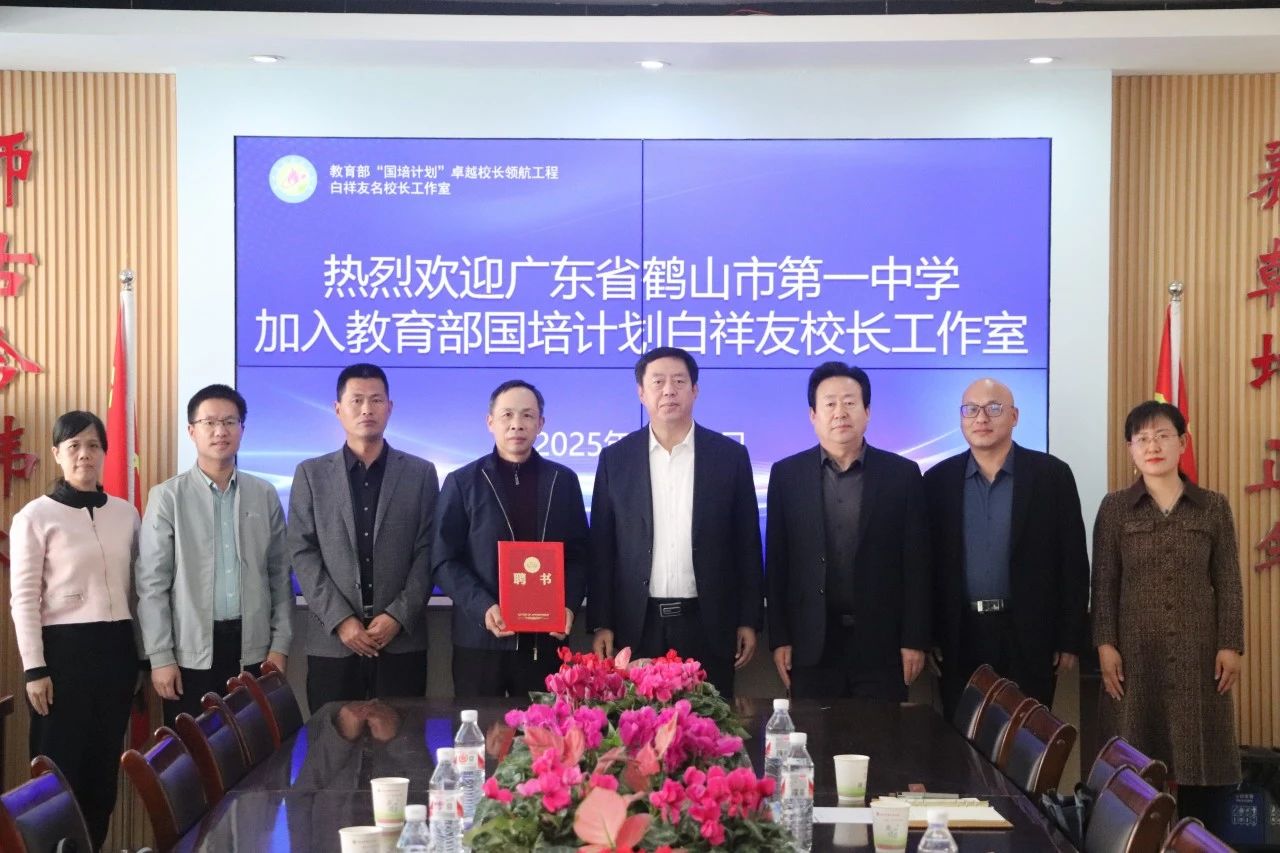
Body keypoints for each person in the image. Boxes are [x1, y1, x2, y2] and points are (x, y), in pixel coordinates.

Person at [1092, 400, 1243, 818]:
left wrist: (1231, 644)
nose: (1152, 446)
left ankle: (1200, 839)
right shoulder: (1115, 508)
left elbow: (1229, 580)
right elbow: (1103, 583)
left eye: (1162, 436)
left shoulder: (1213, 506)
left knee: (1201, 761)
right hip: (1135, 654)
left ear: (1182, 443)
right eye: (1141, 439)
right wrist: (1105, 645)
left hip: (1199, 654)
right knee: (1134, 763)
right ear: (1130, 449)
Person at [588, 346, 763, 698]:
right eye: (658, 382)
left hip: (708, 622)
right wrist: (601, 622)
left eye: (679, 381)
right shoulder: (615, 459)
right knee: (637, 726)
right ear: (641, 392)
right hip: (638, 625)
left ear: (694, 390)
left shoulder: (729, 457)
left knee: (711, 723)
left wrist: (749, 619)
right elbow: (603, 548)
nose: (669, 390)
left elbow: (746, 543)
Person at [9, 411, 142, 850]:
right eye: (74, 446)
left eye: (93, 445)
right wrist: (34, 669)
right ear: (57, 454)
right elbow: (23, 598)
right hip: (62, 657)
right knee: (58, 774)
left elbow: (139, 590)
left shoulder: (126, 513)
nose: (85, 454)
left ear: (104, 453)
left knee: (102, 774)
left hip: (117, 651)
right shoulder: (35, 515)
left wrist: (141, 658)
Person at [923, 378, 1089, 716]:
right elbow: (924, 565)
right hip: (959, 636)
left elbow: (1073, 561)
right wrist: (927, 634)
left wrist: (1070, 638)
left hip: (1030, 635)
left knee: (1027, 738)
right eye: (971, 410)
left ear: (1014, 416)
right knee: (962, 738)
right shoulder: (937, 481)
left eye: (993, 408)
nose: (981, 418)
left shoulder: (1052, 476)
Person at [766, 362, 930, 702]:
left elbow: (917, 564)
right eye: (829, 403)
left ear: (867, 412)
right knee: (812, 735)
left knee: (882, 734)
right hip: (811, 646)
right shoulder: (786, 475)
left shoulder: (902, 475)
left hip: (882, 645)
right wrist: (780, 638)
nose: (840, 412)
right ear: (813, 415)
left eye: (850, 402)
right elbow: (778, 563)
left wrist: (914, 639)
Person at [137, 384, 294, 726]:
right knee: (194, 751)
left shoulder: (264, 494)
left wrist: (280, 645)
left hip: (253, 649)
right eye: (209, 422)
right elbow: (152, 585)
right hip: (189, 654)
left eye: (229, 422)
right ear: (191, 431)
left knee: (254, 747)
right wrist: (161, 657)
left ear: (242, 429)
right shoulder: (168, 497)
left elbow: (279, 576)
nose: (220, 431)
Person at [288, 363, 439, 712]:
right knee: (333, 740)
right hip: (334, 642)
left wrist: (397, 616)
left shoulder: (420, 473)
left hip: (401, 641)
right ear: (338, 408)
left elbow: (429, 551)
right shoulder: (311, 474)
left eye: (376, 400)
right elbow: (302, 551)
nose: (367, 409)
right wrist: (341, 620)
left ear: (390, 407)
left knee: (404, 739)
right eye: (356, 400)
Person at [432, 379, 589, 697]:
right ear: (490, 422)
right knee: (478, 727)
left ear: (541, 423)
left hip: (545, 640)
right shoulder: (463, 482)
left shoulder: (563, 481)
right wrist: (483, 606)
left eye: (527, 415)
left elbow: (580, 556)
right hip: (480, 641)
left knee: (544, 727)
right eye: (507, 415)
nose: (517, 424)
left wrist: (569, 605)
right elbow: (443, 560)